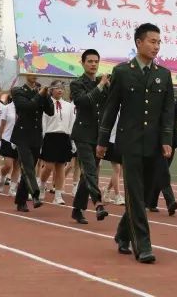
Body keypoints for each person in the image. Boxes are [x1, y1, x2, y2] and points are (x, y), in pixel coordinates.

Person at [97, 22, 176, 264]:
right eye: (152, 41)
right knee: (134, 192)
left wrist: (166, 139)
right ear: (139, 43)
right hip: (129, 142)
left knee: (144, 194)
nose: (156, 46)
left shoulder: (164, 75)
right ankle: (143, 245)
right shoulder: (122, 72)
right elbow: (111, 108)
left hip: (154, 144)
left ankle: (122, 234)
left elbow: (167, 111)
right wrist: (102, 141)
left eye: (159, 42)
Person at [70, 49, 111, 224]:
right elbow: (83, 102)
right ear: (83, 63)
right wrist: (100, 86)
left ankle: (77, 209)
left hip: (98, 135)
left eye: (96, 61)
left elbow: (110, 105)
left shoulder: (103, 83)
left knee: (87, 174)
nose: (93, 64)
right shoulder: (77, 83)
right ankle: (98, 203)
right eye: (90, 61)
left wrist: (109, 87)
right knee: (90, 170)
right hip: (82, 133)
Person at [12, 71, 55, 212]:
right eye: (32, 72)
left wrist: (47, 96)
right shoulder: (18, 91)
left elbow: (50, 112)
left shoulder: (40, 91)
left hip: (36, 136)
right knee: (28, 167)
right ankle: (35, 195)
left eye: (37, 72)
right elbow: (26, 107)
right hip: (22, 135)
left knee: (28, 169)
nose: (35, 75)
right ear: (25, 74)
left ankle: (20, 200)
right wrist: (40, 95)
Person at [148, 95, 177, 216]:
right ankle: (170, 201)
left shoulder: (171, 101)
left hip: (171, 141)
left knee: (160, 173)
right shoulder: (153, 99)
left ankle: (152, 202)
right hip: (157, 141)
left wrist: (171, 100)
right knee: (163, 172)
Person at [41, 81, 75, 206]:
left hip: (64, 137)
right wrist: (42, 138)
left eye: (62, 88)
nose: (60, 90)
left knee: (60, 167)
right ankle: (42, 186)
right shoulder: (47, 103)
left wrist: (72, 140)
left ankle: (58, 195)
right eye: (57, 88)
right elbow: (43, 121)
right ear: (51, 90)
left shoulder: (69, 106)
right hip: (50, 136)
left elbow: (72, 122)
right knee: (48, 166)